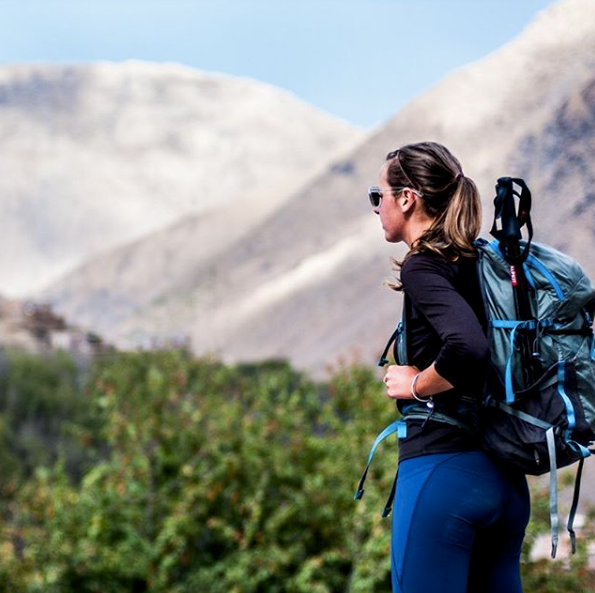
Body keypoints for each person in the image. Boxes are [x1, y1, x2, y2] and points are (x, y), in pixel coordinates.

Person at [369, 141, 531, 593]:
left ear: (407, 198)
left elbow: (468, 346)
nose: (376, 207)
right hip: (504, 481)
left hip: (443, 474)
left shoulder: (424, 266)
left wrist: (416, 384)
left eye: (377, 195)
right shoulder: (481, 263)